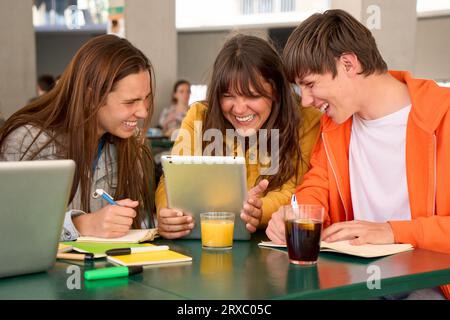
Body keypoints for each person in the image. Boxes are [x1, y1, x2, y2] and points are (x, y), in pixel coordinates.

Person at [265, 9, 450, 299]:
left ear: (349, 64)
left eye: (310, 84)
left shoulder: (444, 115)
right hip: (356, 277)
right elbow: (317, 185)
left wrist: (393, 231)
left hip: (430, 282)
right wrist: (296, 214)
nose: (306, 100)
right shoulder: (335, 126)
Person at [156, 34, 322, 239]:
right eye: (228, 96)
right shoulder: (200, 116)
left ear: (277, 91)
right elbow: (173, 178)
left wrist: (260, 210)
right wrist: (168, 212)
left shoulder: (306, 120)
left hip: (274, 243)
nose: (240, 109)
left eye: (252, 95)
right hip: (208, 242)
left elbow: (299, 190)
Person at [0, 34, 156, 241]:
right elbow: (9, 228)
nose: (143, 112)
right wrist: (79, 225)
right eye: (130, 102)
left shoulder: (130, 146)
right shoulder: (28, 142)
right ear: (91, 97)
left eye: (146, 99)